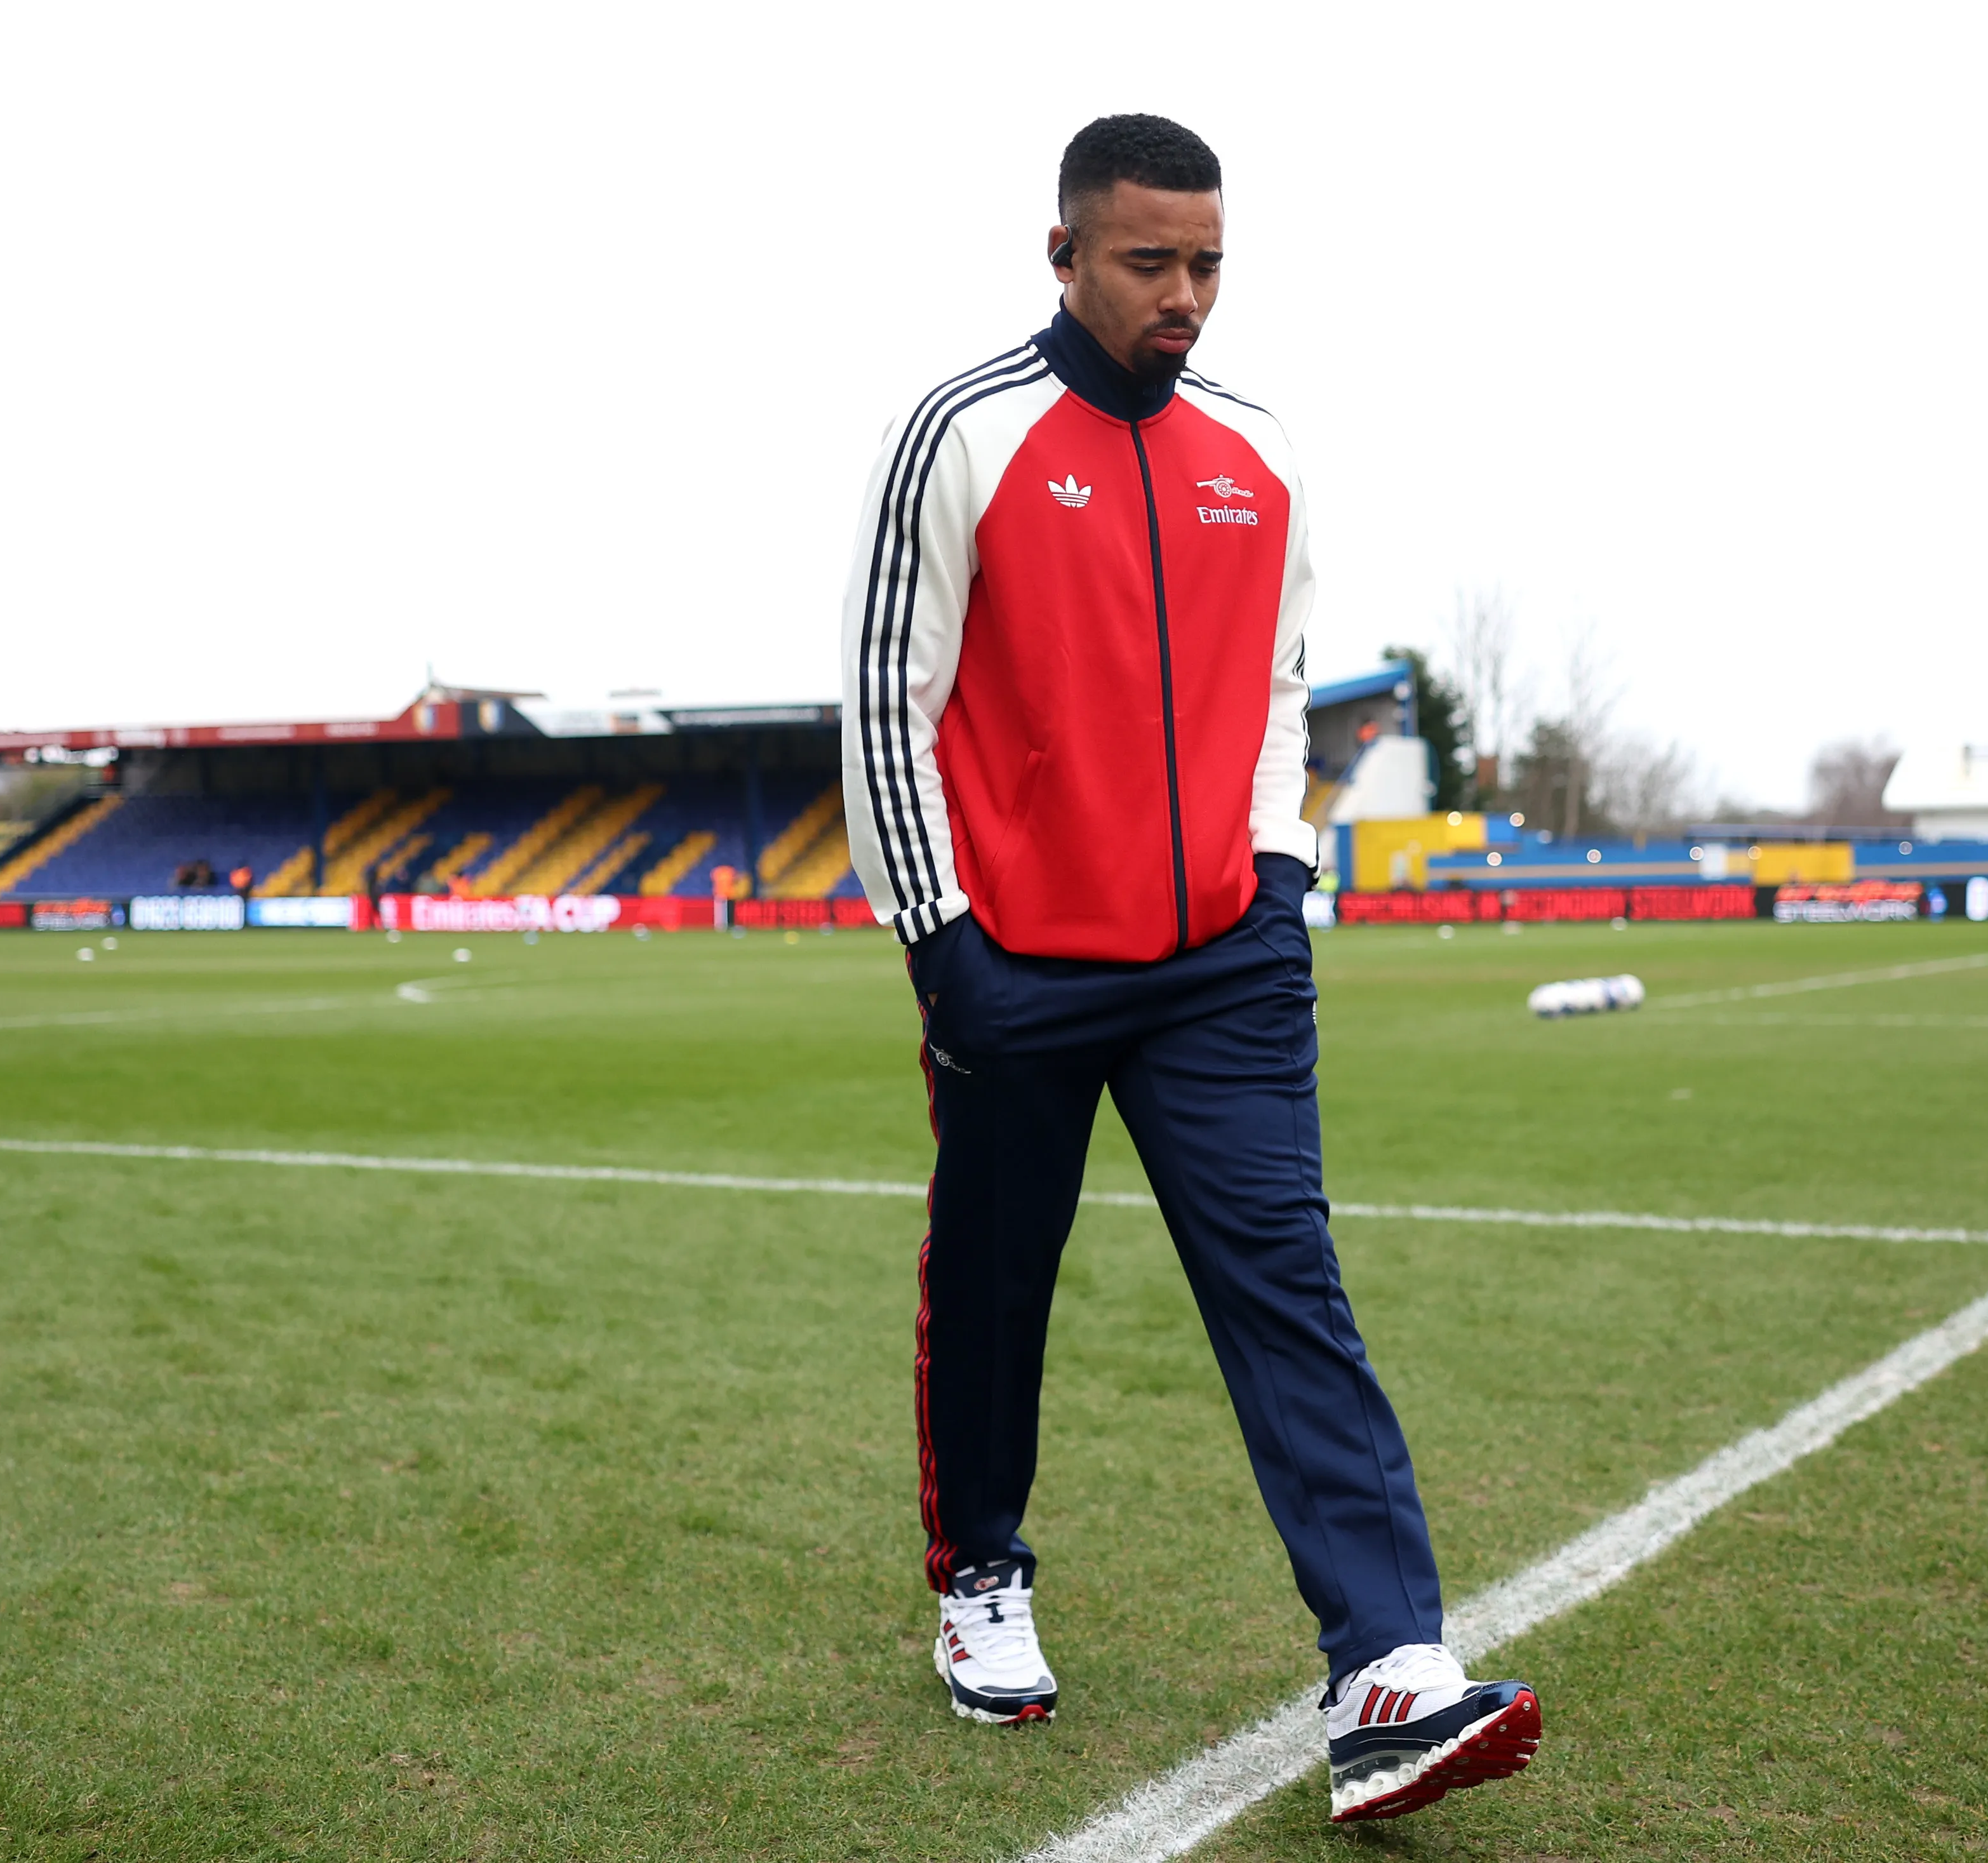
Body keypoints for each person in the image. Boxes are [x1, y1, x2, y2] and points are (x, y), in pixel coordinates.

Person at [838, 115, 1538, 1824]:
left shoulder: (1259, 453)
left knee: (1283, 1279)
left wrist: (1278, 872)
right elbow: (882, 698)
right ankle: (979, 1569)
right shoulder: (959, 431)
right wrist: (943, 945)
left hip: (1219, 957)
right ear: (1064, 252)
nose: (1182, 296)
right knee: (998, 1274)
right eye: (1148, 261)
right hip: (1014, 956)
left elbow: (1277, 691)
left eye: (1205, 263)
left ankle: (1387, 1663)